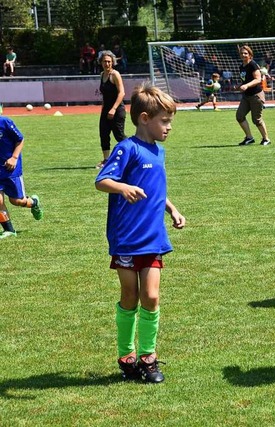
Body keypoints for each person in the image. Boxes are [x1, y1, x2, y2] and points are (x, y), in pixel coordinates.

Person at [95, 82, 185, 383]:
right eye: (164, 120)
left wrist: (172, 209)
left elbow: (155, 191)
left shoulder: (158, 152)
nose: (169, 127)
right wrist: (123, 187)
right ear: (145, 118)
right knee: (130, 296)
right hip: (126, 238)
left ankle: (149, 357)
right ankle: (127, 356)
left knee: (151, 295)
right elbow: (102, 180)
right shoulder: (127, 148)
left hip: (153, 236)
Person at [0, 114, 43, 239]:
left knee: (17, 201)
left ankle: (33, 203)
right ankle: (9, 230)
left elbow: (20, 139)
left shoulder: (5, 122)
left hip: (10, 168)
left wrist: (14, 158)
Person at [236, 45, 271, 146]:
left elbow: (258, 79)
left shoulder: (253, 65)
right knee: (240, 116)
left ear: (250, 55)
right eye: (242, 53)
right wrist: (239, 86)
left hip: (256, 95)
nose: (243, 55)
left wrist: (246, 85)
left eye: (245, 53)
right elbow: (245, 80)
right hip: (246, 96)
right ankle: (249, 137)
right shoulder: (242, 66)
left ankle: (266, 139)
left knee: (256, 119)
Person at [97, 50, 127, 169]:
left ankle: (132, 155)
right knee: (103, 134)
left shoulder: (115, 74)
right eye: (104, 61)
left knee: (119, 136)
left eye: (109, 61)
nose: (107, 64)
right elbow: (105, 95)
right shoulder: (101, 75)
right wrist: (104, 109)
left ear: (113, 62)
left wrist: (114, 109)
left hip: (117, 110)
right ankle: (106, 160)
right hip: (106, 110)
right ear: (101, 62)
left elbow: (122, 93)